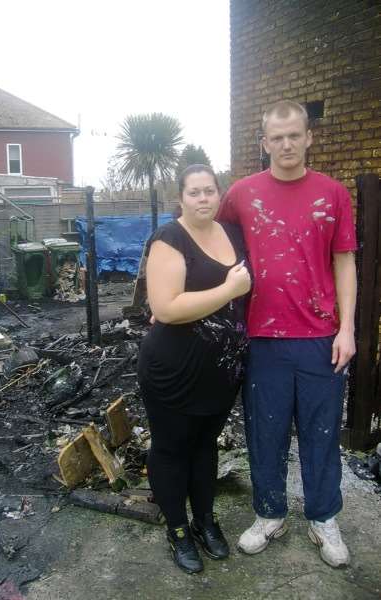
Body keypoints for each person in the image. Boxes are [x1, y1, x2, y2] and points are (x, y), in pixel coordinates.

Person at [217, 100, 357, 568]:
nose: (286, 144)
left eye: (294, 135)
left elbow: (345, 262)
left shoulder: (333, 194)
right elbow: (213, 245)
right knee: (266, 433)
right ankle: (269, 513)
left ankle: (323, 518)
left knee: (321, 434)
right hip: (262, 339)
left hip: (321, 337)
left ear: (309, 136)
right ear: (264, 143)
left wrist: (348, 329)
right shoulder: (241, 193)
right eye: (276, 138)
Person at [138, 164, 251, 574]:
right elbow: (165, 308)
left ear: (219, 194)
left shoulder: (232, 234)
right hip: (173, 369)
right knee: (171, 449)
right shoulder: (170, 238)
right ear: (181, 198)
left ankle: (205, 520)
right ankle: (178, 530)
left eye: (210, 191)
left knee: (205, 446)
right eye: (194, 193)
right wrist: (228, 290)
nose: (203, 199)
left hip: (221, 372)